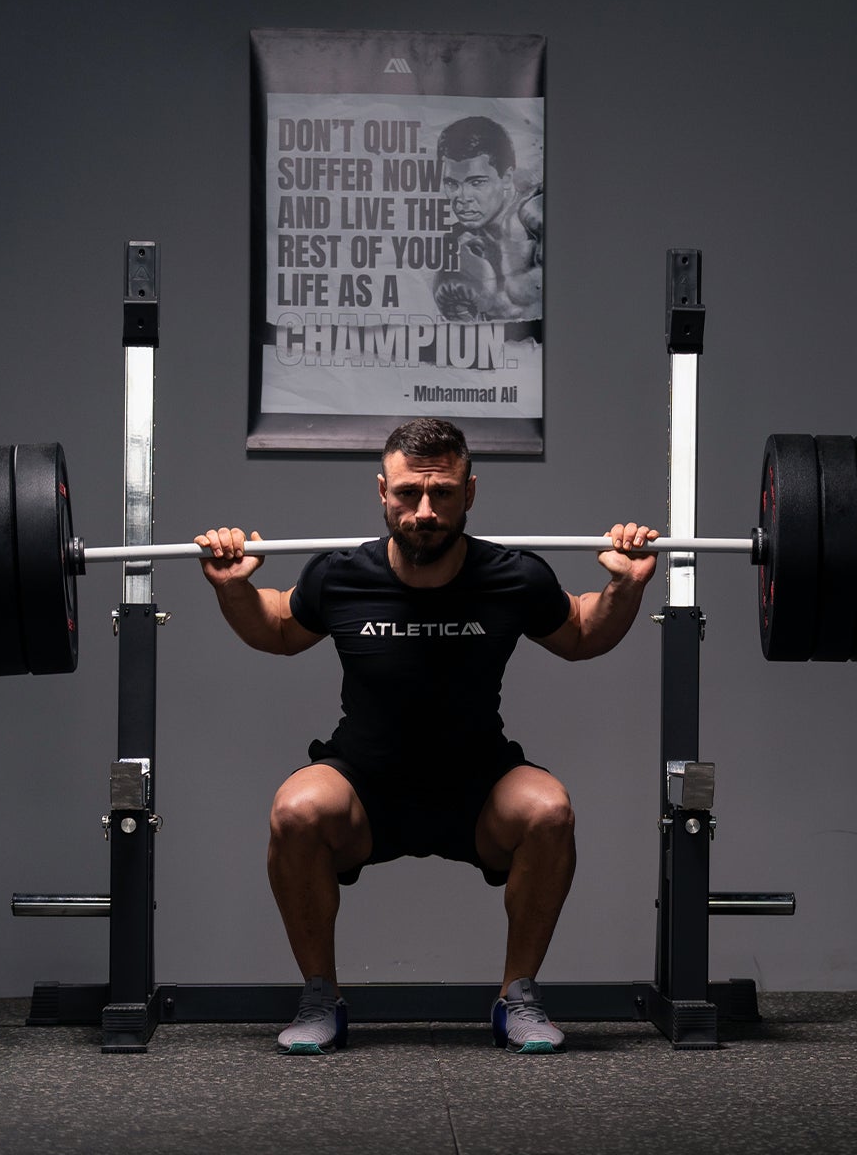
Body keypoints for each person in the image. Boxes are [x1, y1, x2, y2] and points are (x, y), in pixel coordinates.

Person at [194, 417, 656, 1055]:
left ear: (471, 493)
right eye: (409, 494)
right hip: (364, 787)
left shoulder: (514, 576)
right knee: (296, 810)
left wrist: (624, 586)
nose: (425, 511)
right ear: (382, 491)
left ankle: (516, 998)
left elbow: (579, 635)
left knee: (549, 811)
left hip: (477, 790)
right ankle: (319, 998)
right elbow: (276, 627)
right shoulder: (340, 575)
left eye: (443, 493)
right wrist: (234, 586)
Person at [431, 114, 544, 327]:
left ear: (507, 178)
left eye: (477, 182)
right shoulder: (459, 245)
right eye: (452, 184)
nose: (462, 198)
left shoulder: (536, 214)